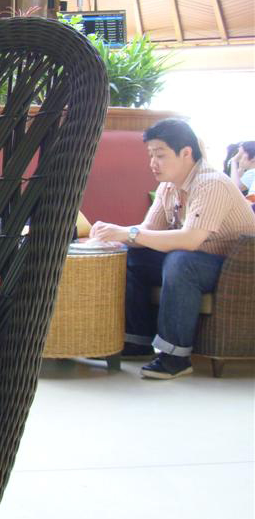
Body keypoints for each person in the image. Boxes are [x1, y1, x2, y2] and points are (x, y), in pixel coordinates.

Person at [90, 119, 255, 379]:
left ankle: (175, 357)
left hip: (237, 268)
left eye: (160, 155)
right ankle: (136, 340)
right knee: (133, 256)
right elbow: (147, 230)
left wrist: (129, 233)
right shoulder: (168, 186)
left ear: (186, 153)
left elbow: (190, 240)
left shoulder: (211, 183)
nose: (152, 163)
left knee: (180, 261)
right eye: (150, 155)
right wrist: (114, 234)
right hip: (200, 259)